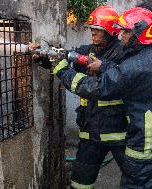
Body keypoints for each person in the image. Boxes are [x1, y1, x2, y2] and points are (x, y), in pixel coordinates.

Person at [53, 7, 152, 189]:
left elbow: (95, 88)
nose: (121, 35)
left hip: (144, 153)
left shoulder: (133, 66)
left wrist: (62, 70)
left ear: (139, 32)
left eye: (125, 31)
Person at [31, 6, 128, 189]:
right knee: (80, 182)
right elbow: (65, 60)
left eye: (98, 31)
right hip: (90, 131)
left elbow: (109, 83)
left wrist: (103, 66)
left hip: (119, 133)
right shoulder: (87, 50)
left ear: (110, 32)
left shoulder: (122, 55)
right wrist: (44, 58)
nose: (93, 34)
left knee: (136, 180)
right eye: (92, 30)